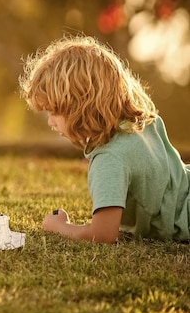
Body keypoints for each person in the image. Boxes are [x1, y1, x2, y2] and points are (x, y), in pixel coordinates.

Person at [19, 35, 190, 244]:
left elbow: (102, 235)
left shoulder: (110, 159)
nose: (50, 122)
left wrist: (59, 226)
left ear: (80, 106)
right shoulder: (138, 124)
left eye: (54, 111)